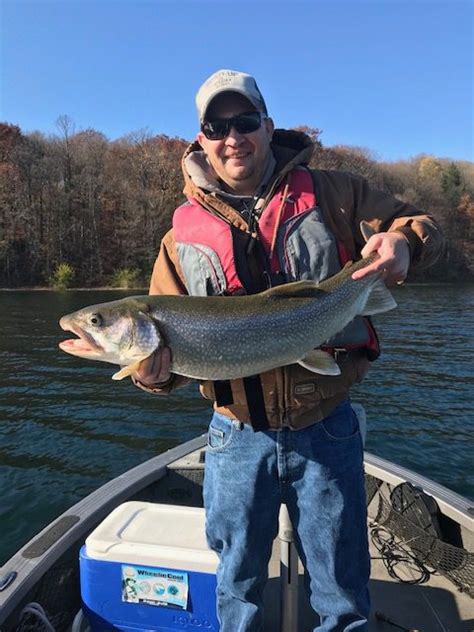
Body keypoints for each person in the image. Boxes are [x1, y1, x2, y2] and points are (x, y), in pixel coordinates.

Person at [132, 69, 443, 631]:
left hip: (326, 425)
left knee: (342, 589)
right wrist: (152, 375)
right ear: (201, 138)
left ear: (268, 126)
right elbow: (163, 375)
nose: (233, 136)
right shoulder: (178, 235)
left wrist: (404, 240)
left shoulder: (335, 191)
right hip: (233, 436)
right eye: (217, 125)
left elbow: (419, 222)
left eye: (245, 121)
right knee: (238, 588)